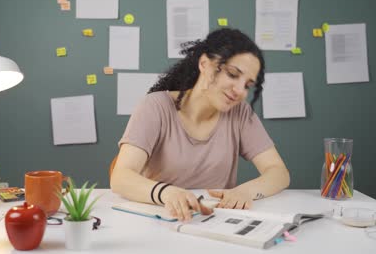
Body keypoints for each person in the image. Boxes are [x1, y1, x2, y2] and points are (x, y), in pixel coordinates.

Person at [110, 28, 290, 221]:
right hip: (161, 218)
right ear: (204, 64)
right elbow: (121, 177)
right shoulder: (155, 106)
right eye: (232, 74)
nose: (239, 90)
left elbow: (279, 172)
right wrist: (168, 193)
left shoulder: (240, 113)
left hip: (216, 220)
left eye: (247, 85)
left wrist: (245, 191)